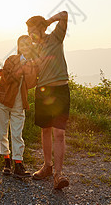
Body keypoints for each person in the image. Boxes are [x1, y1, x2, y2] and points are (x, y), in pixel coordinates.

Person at [26, 11, 70, 189]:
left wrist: (47, 22)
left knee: (59, 133)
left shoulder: (56, 37)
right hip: (42, 90)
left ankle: (58, 175)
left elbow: (65, 14)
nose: (31, 34)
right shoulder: (33, 49)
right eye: (28, 31)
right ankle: (47, 167)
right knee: (45, 130)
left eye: (33, 31)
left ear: (42, 29)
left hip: (60, 90)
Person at [0, 35, 38, 178]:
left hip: (19, 102)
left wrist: (27, 68)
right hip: (3, 100)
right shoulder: (11, 59)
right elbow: (7, 78)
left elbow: (30, 83)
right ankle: (6, 161)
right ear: (18, 46)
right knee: (2, 132)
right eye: (22, 44)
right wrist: (21, 68)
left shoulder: (32, 64)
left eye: (28, 44)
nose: (25, 47)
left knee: (17, 134)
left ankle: (18, 163)